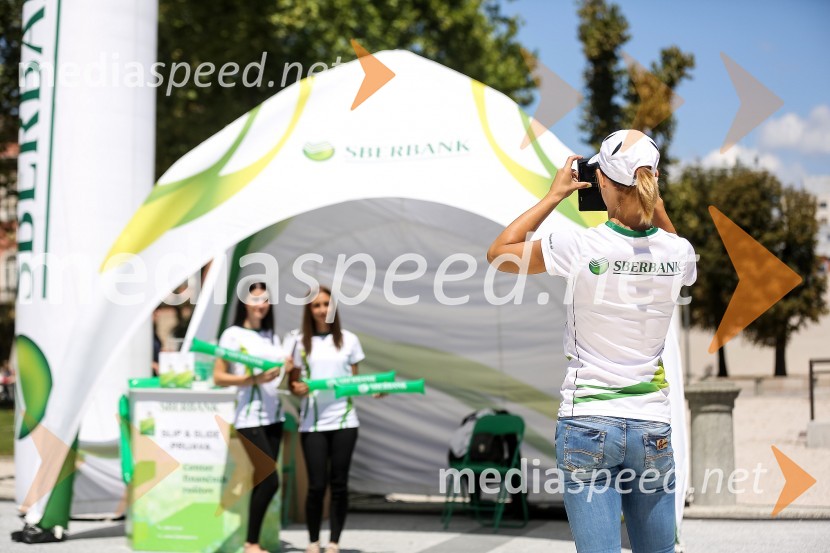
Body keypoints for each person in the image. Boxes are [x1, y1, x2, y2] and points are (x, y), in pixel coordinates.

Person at [488, 130, 696, 553]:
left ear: (600, 181)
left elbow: (500, 252)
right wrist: (651, 201)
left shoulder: (579, 245)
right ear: (651, 182)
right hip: (650, 425)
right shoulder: (680, 253)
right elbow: (671, 241)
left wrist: (554, 196)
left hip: (588, 420)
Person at [286, 287, 365, 553]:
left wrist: (376, 389)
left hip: (344, 422)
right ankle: (312, 541)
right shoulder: (299, 342)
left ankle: (334, 542)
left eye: (326, 304)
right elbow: (293, 383)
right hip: (313, 424)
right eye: (316, 305)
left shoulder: (349, 340)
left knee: (339, 484)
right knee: (317, 485)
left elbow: (355, 382)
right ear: (309, 310)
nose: (322, 309)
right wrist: (297, 387)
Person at [213, 282, 285, 553]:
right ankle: (250, 543)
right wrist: (251, 378)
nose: (261, 305)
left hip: (274, 415)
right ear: (244, 302)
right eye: (255, 299)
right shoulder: (232, 335)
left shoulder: (271, 336)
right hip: (249, 416)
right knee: (270, 478)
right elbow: (218, 377)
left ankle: (253, 541)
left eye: (265, 300)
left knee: (262, 479)